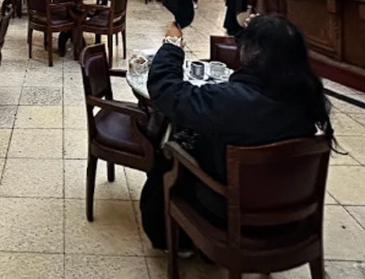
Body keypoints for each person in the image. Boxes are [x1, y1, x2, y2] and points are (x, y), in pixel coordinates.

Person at [140, 15, 334, 250]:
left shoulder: (233, 102)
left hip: (231, 213)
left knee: (169, 152)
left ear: (252, 55)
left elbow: (168, 92)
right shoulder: (306, 98)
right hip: (290, 214)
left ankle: (178, 243)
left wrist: (171, 46)